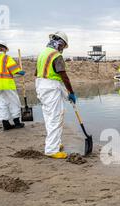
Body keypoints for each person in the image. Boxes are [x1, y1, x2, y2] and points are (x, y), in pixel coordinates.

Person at [35, 31, 76, 159]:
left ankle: (56, 143)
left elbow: (37, 73)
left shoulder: (42, 53)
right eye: (63, 46)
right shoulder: (56, 55)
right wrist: (71, 92)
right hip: (51, 88)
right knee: (55, 118)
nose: (62, 49)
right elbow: (63, 75)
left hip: (42, 86)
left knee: (49, 117)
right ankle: (51, 150)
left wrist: (64, 93)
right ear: (61, 43)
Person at [0, 41, 26, 131]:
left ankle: (5, 124)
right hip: (7, 85)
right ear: (4, 49)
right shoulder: (6, 58)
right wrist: (20, 72)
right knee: (13, 102)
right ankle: (17, 123)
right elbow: (14, 70)